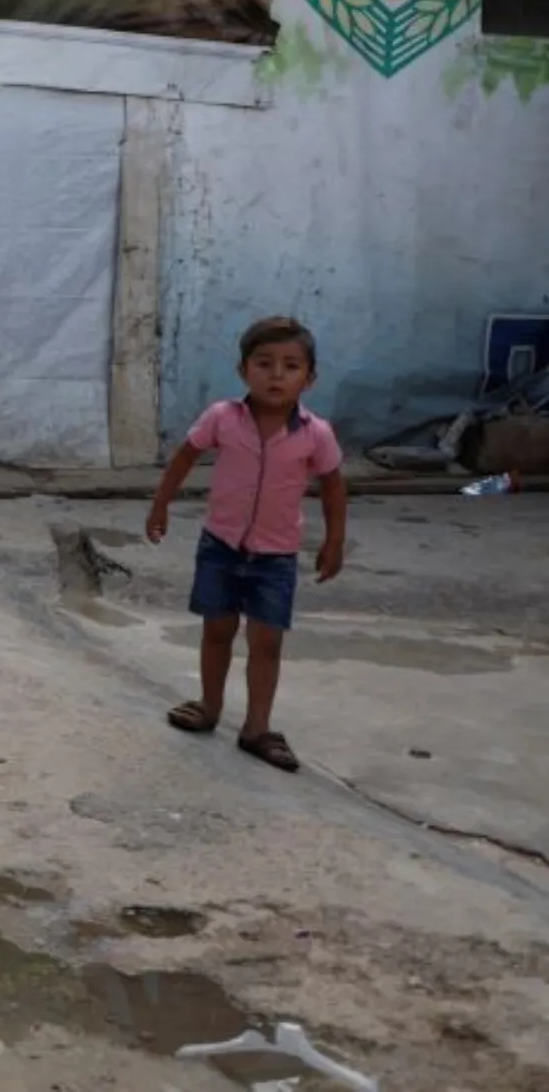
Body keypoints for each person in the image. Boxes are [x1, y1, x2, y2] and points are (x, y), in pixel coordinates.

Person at [146, 316, 348, 773]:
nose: (277, 375)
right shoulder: (222, 418)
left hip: (276, 556)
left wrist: (335, 541)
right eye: (264, 363)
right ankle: (209, 707)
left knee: (266, 643)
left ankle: (257, 728)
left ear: (309, 378)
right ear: (243, 371)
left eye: (290, 366)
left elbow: (333, 486)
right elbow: (185, 457)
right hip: (220, 546)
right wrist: (160, 506)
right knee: (216, 631)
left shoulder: (315, 433)